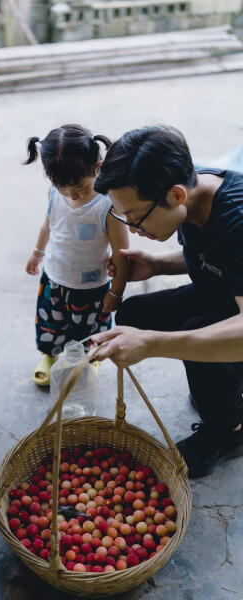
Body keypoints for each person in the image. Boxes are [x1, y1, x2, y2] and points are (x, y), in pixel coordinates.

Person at [91, 124, 243, 478]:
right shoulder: (194, 193)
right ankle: (221, 385)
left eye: (135, 217)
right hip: (227, 296)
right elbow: (223, 260)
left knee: (195, 333)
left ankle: (229, 429)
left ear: (175, 194)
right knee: (135, 314)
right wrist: (158, 264)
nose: (131, 227)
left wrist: (153, 344)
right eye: (121, 216)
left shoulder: (237, 217)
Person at [24, 123, 129, 385]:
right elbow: (49, 223)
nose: (71, 195)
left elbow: (121, 252)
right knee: (50, 324)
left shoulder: (108, 205)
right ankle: (50, 357)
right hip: (54, 277)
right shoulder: (55, 193)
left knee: (88, 331)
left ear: (98, 168)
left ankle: (88, 360)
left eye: (80, 188)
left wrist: (115, 292)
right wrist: (37, 253)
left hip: (91, 286)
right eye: (62, 188)